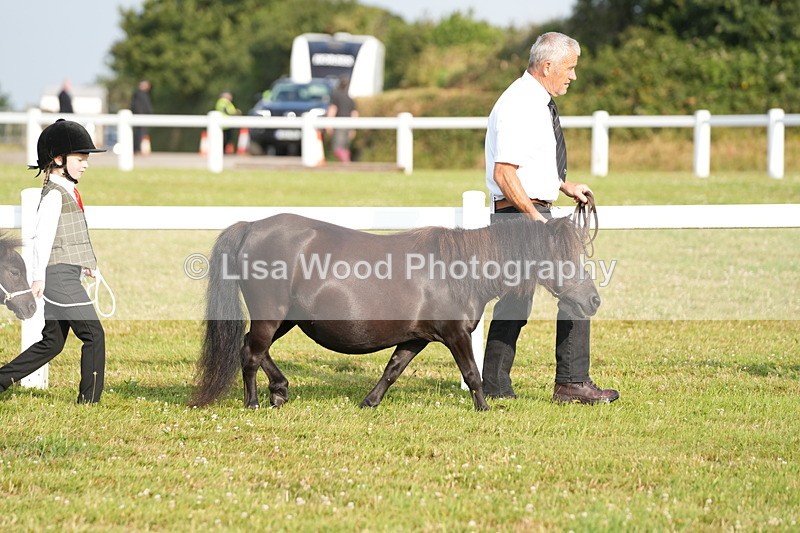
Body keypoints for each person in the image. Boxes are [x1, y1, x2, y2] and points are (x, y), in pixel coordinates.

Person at [482, 32, 619, 404]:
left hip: (524, 213)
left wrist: (563, 185)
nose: (573, 76)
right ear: (547, 66)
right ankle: (571, 383)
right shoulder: (520, 104)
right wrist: (535, 219)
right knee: (578, 292)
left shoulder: (533, 101)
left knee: (515, 301)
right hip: (523, 216)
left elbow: (528, 164)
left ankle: (494, 385)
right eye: (569, 68)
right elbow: (504, 173)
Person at [0, 119, 107, 403]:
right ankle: (89, 401)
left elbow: (68, 235)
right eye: (80, 159)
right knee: (93, 334)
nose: (85, 165)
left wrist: (85, 263)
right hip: (58, 278)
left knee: (53, 343)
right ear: (59, 159)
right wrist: (39, 277)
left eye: (86, 159)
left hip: (66, 273)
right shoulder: (54, 196)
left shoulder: (67, 191)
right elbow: (42, 239)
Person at [326, 77, 358, 163]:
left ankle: (345, 162)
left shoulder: (335, 96)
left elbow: (332, 110)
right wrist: (353, 128)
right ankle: (345, 162)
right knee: (345, 146)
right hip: (348, 124)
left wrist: (328, 124)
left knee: (338, 147)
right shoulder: (350, 98)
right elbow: (354, 114)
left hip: (339, 125)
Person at [130, 79, 153, 153]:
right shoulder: (140, 94)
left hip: (141, 117)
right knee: (140, 134)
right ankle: (138, 149)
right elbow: (140, 106)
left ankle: (138, 149)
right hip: (141, 117)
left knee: (140, 133)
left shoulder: (139, 94)